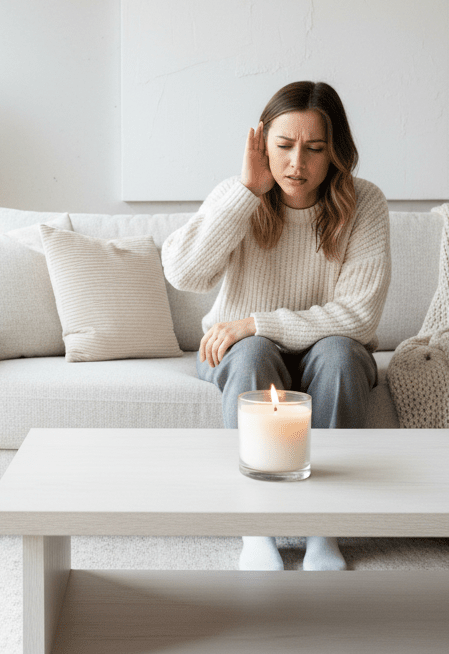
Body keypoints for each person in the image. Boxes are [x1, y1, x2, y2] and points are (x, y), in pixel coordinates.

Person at [162, 80, 391, 572]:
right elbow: (183, 274)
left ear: (336, 152)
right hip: (244, 352)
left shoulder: (365, 203)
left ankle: (324, 531)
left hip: (327, 351)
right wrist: (246, 192)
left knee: (339, 353)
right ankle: (256, 528)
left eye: (315, 149)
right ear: (262, 143)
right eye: (284, 146)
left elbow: (358, 315)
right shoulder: (238, 195)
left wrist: (255, 322)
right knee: (251, 352)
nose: (296, 164)